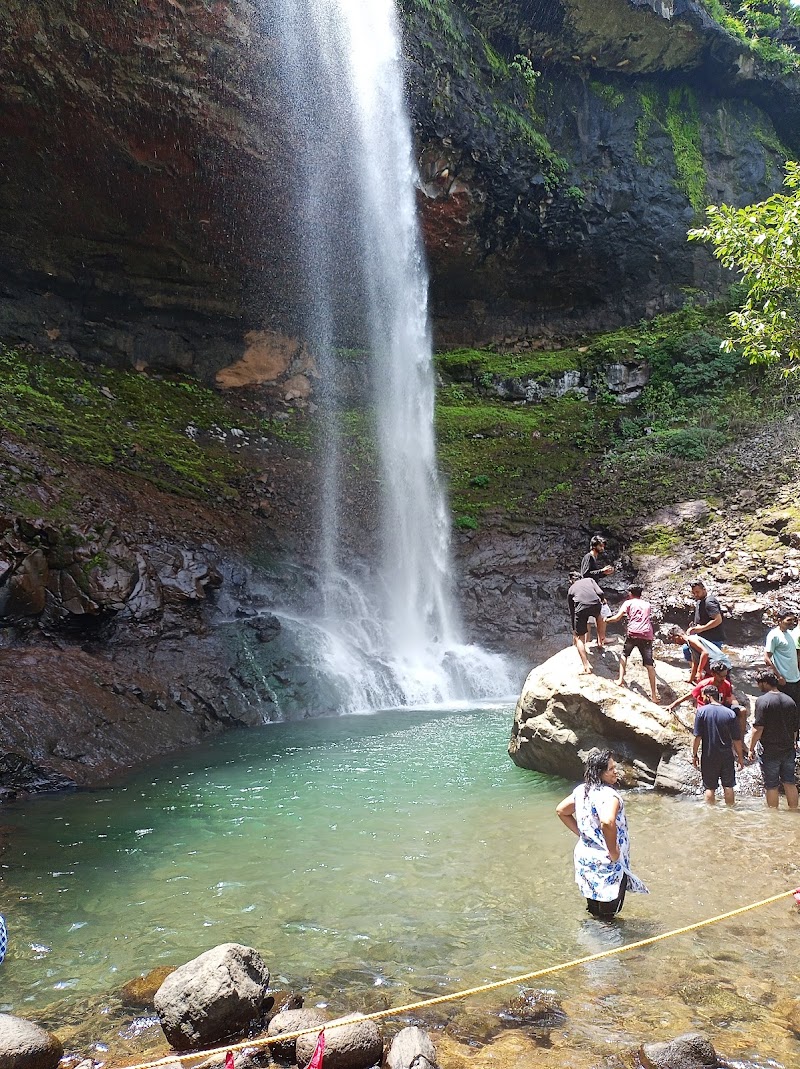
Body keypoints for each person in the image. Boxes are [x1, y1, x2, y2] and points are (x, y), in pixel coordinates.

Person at [555, 749, 648, 917]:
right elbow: (607, 821)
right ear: (600, 772)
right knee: (609, 916)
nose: (616, 771)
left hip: (586, 858)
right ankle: (610, 942)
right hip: (606, 863)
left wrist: (583, 835)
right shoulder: (609, 795)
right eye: (611, 769)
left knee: (594, 910)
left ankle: (591, 939)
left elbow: (562, 811)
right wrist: (613, 852)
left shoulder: (582, 790)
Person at [748, 671, 799, 810]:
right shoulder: (790, 701)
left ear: (765, 683)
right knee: (790, 782)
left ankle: (773, 815)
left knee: (771, 785)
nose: (759, 687)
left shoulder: (762, 701)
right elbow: (795, 728)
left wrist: (751, 748)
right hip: (788, 748)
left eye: (759, 684)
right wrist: (793, 743)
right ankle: (794, 811)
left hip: (770, 750)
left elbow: (758, 728)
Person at [667, 660, 747, 739]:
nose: (723, 678)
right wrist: (672, 705)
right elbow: (689, 695)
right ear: (713, 674)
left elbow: (729, 697)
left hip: (721, 707)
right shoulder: (704, 684)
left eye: (725, 676)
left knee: (742, 711)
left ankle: (741, 740)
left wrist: (736, 706)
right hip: (706, 709)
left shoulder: (726, 684)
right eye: (721, 676)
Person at [692, 685, 744, 805]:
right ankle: (730, 812)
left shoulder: (701, 712)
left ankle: (710, 815)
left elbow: (697, 737)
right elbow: (736, 739)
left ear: (708, 696)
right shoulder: (730, 713)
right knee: (728, 786)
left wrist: (694, 755)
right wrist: (740, 758)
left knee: (710, 788)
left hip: (709, 755)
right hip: (726, 755)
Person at [605, 584, 658, 702]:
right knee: (649, 664)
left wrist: (606, 620)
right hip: (646, 634)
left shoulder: (628, 603)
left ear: (630, 593)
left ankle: (620, 680)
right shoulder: (647, 604)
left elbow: (617, 618)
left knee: (624, 655)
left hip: (633, 633)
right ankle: (654, 696)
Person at [580, 535, 615, 648]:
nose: (603, 548)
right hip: (590, 590)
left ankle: (589, 642)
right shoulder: (588, 557)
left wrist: (604, 573)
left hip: (589, 590)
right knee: (603, 613)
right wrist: (601, 571)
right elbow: (585, 574)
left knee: (589, 618)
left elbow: (593, 575)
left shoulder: (593, 558)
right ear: (594, 545)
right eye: (601, 545)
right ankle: (602, 639)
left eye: (603, 546)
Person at [568, 575, 606, 673]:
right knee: (598, 616)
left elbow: (572, 611)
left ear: (571, 581)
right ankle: (601, 640)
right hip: (595, 604)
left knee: (580, 638)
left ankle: (586, 666)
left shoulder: (571, 589)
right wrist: (602, 599)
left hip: (581, 609)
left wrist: (574, 630)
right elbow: (600, 592)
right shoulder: (590, 580)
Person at [764, 610, 800, 707]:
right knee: (786, 709)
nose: (792, 622)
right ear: (779, 620)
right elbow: (767, 658)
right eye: (789, 620)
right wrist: (778, 676)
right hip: (785, 681)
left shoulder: (789, 634)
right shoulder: (774, 635)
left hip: (795, 678)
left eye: (793, 620)